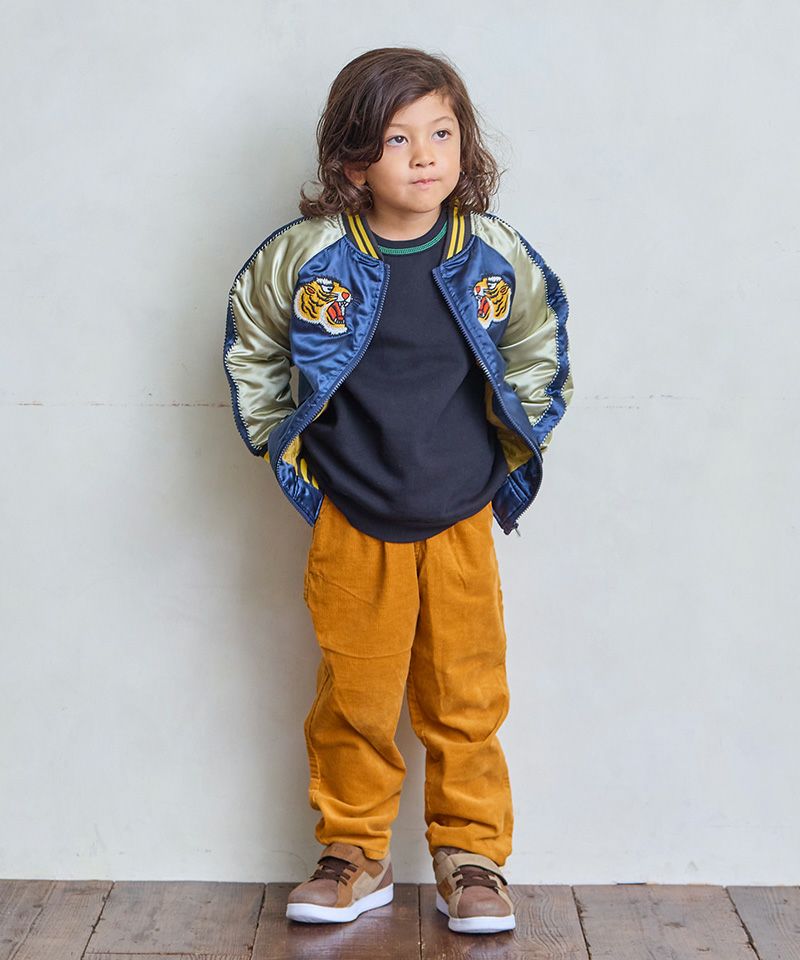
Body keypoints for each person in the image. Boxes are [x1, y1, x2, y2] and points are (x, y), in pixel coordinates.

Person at [223, 46, 573, 935]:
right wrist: (290, 453)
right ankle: (354, 852)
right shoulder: (306, 258)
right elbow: (253, 341)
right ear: (352, 161)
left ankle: (472, 857)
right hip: (353, 517)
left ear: (465, 145)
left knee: (466, 696)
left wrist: (510, 454)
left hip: (460, 515)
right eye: (396, 139)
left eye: (441, 134)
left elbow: (539, 340)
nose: (424, 157)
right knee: (356, 695)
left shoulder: (490, 254)